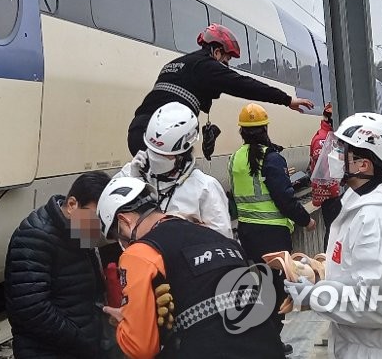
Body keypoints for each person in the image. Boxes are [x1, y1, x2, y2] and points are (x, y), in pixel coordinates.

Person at [285, 113, 382, 358]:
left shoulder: (379, 220)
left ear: (363, 164)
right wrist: (320, 269)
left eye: (342, 151)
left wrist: (314, 296)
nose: (334, 156)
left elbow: (380, 305)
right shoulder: (360, 202)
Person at [97, 176, 285, 359]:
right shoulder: (220, 238)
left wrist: (124, 323)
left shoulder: (140, 253)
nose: (123, 244)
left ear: (124, 221)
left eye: (118, 236)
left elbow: (141, 348)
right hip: (270, 348)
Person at [127, 24, 314, 157]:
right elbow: (244, 85)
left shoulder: (174, 65)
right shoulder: (206, 65)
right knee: (180, 186)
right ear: (216, 52)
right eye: (226, 60)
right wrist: (287, 100)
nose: (226, 66)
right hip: (163, 136)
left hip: (138, 130)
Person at [230, 103, 315, 354]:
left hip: (247, 233)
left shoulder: (236, 157)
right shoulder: (272, 158)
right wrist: (305, 220)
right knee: (277, 290)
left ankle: (261, 339)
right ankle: (271, 343)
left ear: (242, 131)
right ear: (265, 128)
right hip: (274, 235)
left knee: (258, 287)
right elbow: (284, 198)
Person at [5, 171, 113, 358]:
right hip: (49, 351)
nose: (99, 228)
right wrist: (82, 341)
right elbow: (32, 311)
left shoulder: (78, 230)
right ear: (72, 204)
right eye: (96, 218)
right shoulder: (34, 237)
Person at [115, 102, 233, 238]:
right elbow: (108, 213)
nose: (155, 158)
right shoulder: (132, 172)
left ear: (182, 154)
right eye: (152, 150)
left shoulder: (205, 188)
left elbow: (223, 240)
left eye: (163, 154)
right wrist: (134, 182)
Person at [309, 102, 341, 249]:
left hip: (336, 194)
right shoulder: (322, 140)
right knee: (334, 232)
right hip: (332, 197)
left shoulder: (331, 136)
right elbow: (324, 173)